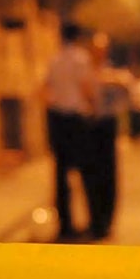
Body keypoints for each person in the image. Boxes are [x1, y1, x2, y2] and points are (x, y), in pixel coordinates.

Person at [43, 22, 95, 242]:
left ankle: (65, 224)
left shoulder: (54, 60)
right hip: (76, 118)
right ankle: (91, 221)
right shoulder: (81, 59)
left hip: (58, 118)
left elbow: (46, 88)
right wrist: (92, 106)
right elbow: (85, 87)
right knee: (86, 171)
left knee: (60, 174)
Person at [80, 32, 131, 241]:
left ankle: (107, 221)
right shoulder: (84, 71)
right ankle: (95, 220)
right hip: (88, 125)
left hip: (107, 125)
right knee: (90, 174)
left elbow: (126, 88)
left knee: (108, 174)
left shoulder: (113, 73)